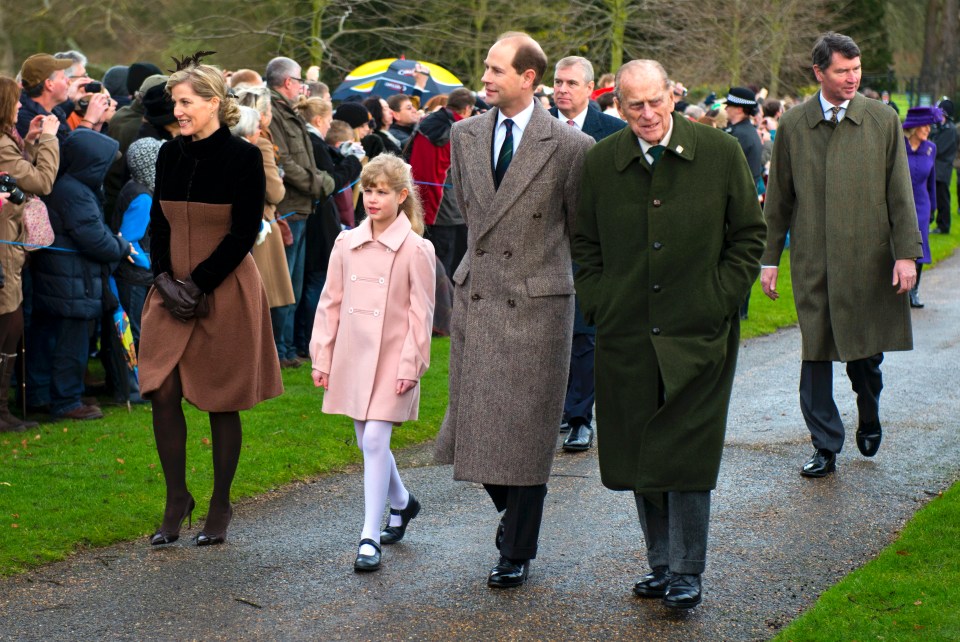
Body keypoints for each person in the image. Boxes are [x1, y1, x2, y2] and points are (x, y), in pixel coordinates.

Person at [572, 59, 765, 610]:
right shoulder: (603, 161)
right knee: (640, 450)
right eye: (635, 105)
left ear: (672, 97)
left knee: (687, 450)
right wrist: (601, 301)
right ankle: (660, 562)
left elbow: (749, 237)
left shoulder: (720, 152)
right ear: (620, 105)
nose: (648, 114)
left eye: (656, 101)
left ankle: (686, 569)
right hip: (626, 334)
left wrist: (717, 299)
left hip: (697, 334)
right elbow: (584, 244)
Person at [434, 32, 593, 589]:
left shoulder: (570, 146)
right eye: (485, 67)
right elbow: (475, 219)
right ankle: (512, 516)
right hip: (479, 298)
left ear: (529, 78)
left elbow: (581, 231)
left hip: (538, 305)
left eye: (497, 70)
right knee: (475, 424)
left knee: (525, 434)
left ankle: (517, 547)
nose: (485, 78)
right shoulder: (464, 134)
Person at [761, 32, 922, 478]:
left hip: (868, 258)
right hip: (813, 258)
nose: (852, 78)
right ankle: (825, 445)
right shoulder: (793, 124)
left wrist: (906, 253)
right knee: (815, 352)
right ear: (819, 73)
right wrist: (770, 259)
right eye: (841, 71)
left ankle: (868, 411)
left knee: (865, 357)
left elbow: (900, 194)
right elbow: (779, 201)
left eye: (856, 70)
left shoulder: (882, 119)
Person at [138, 59, 283, 547]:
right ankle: (177, 496)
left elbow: (244, 231)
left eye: (185, 102)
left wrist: (198, 284)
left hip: (223, 289)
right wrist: (163, 278)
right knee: (161, 390)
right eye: (174, 103)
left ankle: (220, 502)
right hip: (169, 288)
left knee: (222, 401)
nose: (176, 111)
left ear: (213, 103)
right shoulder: (167, 155)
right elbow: (159, 224)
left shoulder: (243, 157)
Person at [310, 154, 436, 572]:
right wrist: (322, 355)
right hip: (352, 355)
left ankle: (368, 536)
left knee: (377, 442)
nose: (373, 198)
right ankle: (401, 503)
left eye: (382, 191)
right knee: (367, 442)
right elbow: (330, 302)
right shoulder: (346, 242)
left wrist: (410, 365)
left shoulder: (417, 249)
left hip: (393, 358)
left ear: (402, 196)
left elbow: (422, 314)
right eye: (368, 189)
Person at [549, 55, 625, 453]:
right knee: (548, 333)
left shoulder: (611, 131)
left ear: (589, 89)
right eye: (558, 82)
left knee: (583, 336)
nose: (561, 89)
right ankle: (557, 409)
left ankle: (580, 417)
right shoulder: (536, 128)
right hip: (543, 248)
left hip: (592, 250)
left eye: (571, 83)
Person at [31, 128, 133, 420]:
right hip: (71, 282)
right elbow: (94, 239)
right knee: (69, 344)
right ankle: (66, 401)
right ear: (90, 162)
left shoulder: (66, 186)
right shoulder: (76, 193)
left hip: (59, 279)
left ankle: (41, 395)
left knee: (48, 338)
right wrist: (122, 245)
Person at [0, 76, 60, 431]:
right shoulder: (2, 144)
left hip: (11, 243)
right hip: (4, 245)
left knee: (12, 326)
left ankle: (3, 411)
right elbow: (41, 183)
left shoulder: (9, 141)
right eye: (16, 101)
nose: (22, 107)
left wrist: (33, 142)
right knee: (8, 326)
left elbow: (23, 176)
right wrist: (50, 140)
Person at [266, 56, 333, 369]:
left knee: (293, 283)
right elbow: (285, 163)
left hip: (300, 207)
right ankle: (277, 350)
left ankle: (287, 348)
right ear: (288, 82)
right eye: (300, 81)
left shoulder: (287, 111)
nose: (304, 87)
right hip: (288, 208)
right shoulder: (273, 113)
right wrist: (319, 183)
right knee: (282, 284)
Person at [294, 96, 363, 358]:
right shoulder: (314, 143)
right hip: (318, 220)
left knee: (311, 279)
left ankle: (303, 340)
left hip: (314, 218)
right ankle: (310, 340)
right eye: (329, 121)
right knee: (316, 281)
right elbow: (332, 181)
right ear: (320, 120)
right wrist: (352, 161)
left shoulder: (310, 141)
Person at [235, 87, 296, 318]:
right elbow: (275, 191)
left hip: (253, 221)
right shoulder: (260, 143)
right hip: (261, 222)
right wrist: (279, 180)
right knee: (259, 300)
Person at [407, 87, 475, 275]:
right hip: (447, 207)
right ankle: (444, 303)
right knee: (448, 264)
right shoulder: (462, 130)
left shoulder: (425, 123)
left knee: (428, 261)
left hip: (421, 200)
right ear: (468, 108)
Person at [902, 106, 940, 308]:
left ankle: (914, 292)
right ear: (914, 127)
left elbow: (931, 180)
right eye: (925, 125)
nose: (928, 129)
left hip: (923, 205)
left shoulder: (931, 148)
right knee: (898, 244)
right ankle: (898, 290)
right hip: (901, 203)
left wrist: (933, 207)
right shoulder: (899, 145)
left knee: (920, 247)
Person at [930, 99, 957, 235]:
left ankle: (944, 226)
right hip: (936, 169)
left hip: (943, 169)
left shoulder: (950, 130)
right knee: (934, 197)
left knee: (943, 198)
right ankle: (934, 222)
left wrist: (929, 145)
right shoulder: (939, 128)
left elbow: (938, 149)